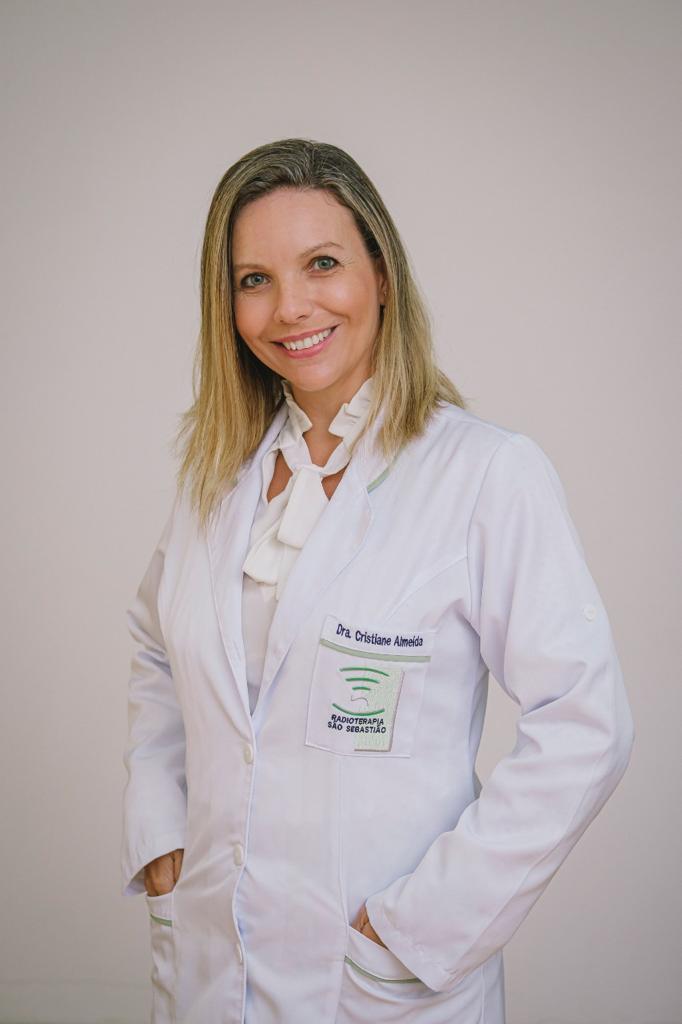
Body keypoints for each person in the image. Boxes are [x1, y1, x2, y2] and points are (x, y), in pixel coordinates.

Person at [121, 138, 635, 1024]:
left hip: (375, 979)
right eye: (254, 280)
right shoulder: (218, 477)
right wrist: (161, 831)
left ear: (383, 275)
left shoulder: (485, 474)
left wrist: (421, 926)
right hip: (209, 966)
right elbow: (158, 645)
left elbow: (586, 724)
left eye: (322, 264)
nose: (291, 307)